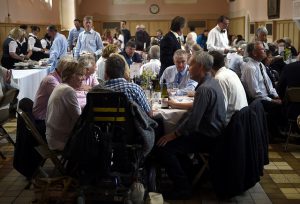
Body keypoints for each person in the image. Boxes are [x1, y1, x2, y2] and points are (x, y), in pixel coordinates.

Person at [156, 51, 226, 199]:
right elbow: (194, 114)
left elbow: (193, 122)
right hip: (214, 132)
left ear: (200, 67)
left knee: (165, 147)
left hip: (208, 136)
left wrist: (172, 134)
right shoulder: (211, 82)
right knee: (171, 142)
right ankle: (189, 174)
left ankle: (183, 188)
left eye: (191, 63)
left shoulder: (204, 89)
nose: (188, 67)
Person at [241, 41, 283, 140]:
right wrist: (272, 100)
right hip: (256, 100)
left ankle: (277, 131)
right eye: (262, 49)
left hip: (265, 96)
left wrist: (276, 95)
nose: (265, 51)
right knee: (276, 106)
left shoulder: (260, 65)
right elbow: (255, 93)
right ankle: (272, 134)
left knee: (283, 101)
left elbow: (269, 85)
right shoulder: (250, 68)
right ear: (254, 53)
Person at [46, 60, 84, 151]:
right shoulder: (68, 91)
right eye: (80, 75)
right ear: (72, 76)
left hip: (54, 137)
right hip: (61, 141)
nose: (83, 78)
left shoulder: (61, 87)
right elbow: (78, 120)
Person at [32, 57, 73, 134]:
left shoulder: (58, 78)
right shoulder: (51, 80)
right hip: (43, 121)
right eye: (72, 71)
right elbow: (64, 98)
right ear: (66, 71)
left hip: (50, 117)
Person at [209, 51, 248, 125]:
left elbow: (221, 109)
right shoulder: (230, 72)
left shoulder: (219, 78)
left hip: (232, 124)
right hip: (242, 119)